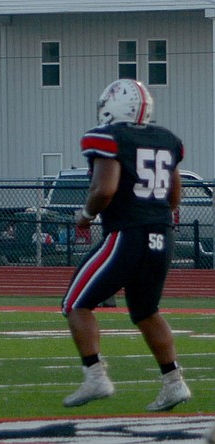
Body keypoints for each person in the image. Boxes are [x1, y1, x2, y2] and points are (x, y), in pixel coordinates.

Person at [61, 79, 191, 411]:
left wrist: (86, 215)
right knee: (147, 311)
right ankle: (174, 382)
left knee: (75, 303)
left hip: (126, 233)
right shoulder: (167, 140)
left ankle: (95, 376)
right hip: (162, 235)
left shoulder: (107, 137)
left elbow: (105, 189)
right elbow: (175, 196)